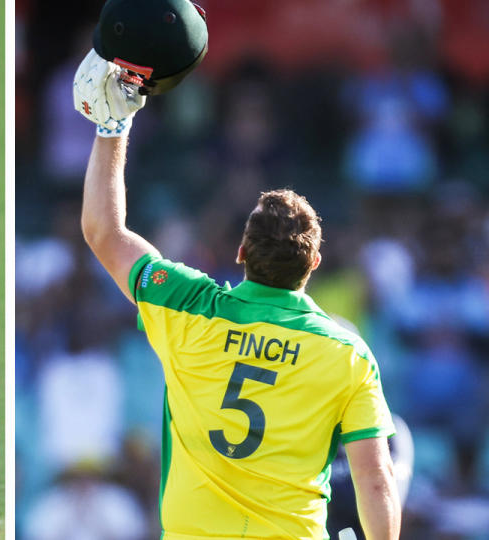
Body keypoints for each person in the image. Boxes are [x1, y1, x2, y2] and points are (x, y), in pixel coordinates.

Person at [73, 50, 402, 539]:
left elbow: (103, 231)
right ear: (314, 263)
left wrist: (112, 126)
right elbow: (374, 482)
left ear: (242, 252)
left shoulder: (186, 306)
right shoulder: (348, 356)